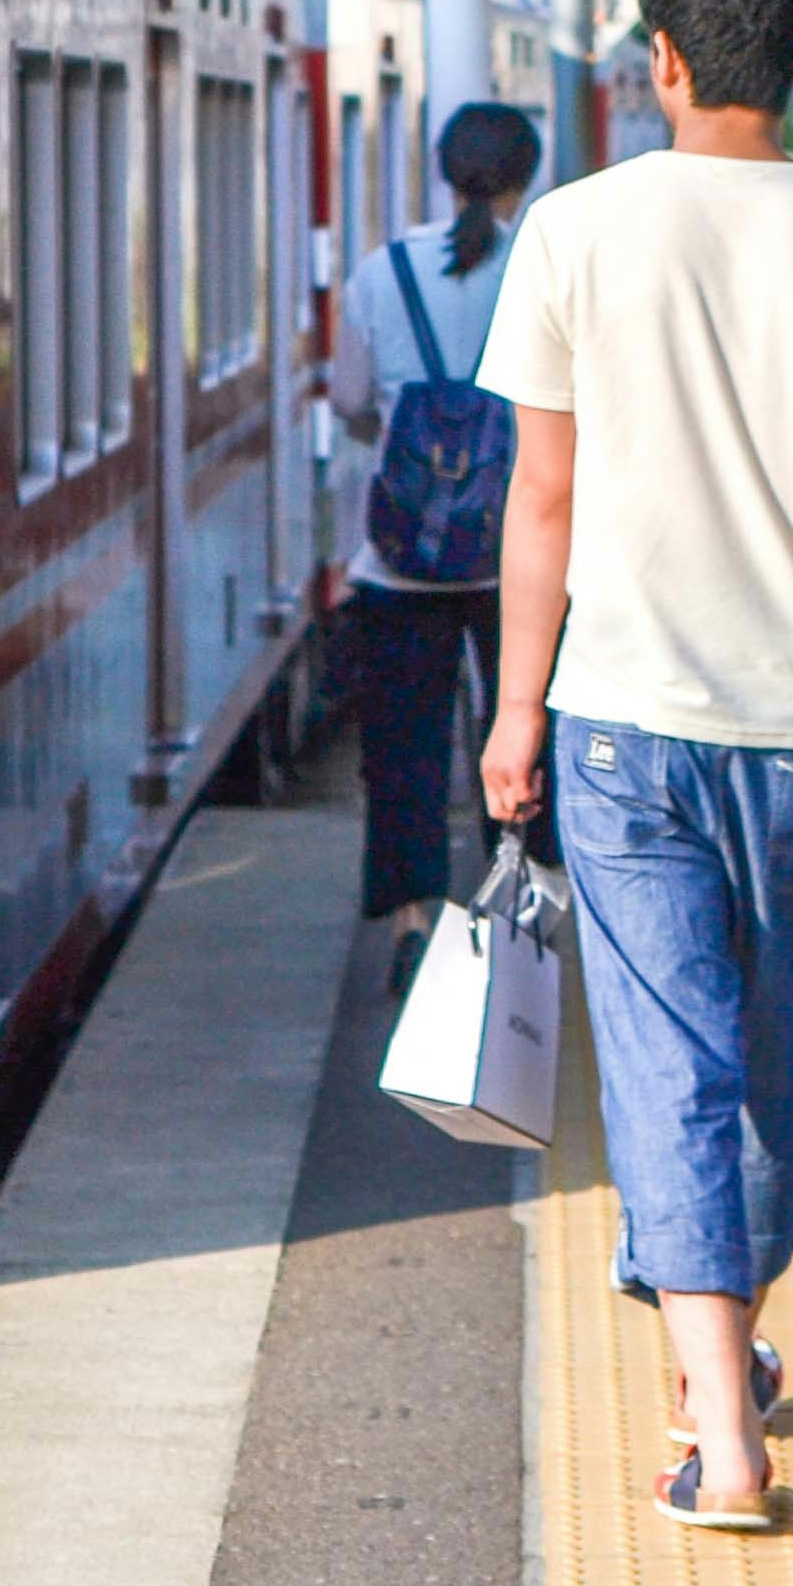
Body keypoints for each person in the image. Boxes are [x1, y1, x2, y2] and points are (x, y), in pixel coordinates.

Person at [474, 0, 793, 1532]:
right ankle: (721, 1361)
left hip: (621, 713)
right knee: (773, 1049)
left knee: (668, 1054)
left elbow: (537, 498)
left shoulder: (575, 228)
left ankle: (724, 1423)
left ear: (660, 59)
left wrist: (514, 707)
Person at [328, 103, 546, 985]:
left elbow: (349, 402)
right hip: (520, 562)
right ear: (526, 176)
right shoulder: (542, 269)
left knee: (404, 750)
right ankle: (517, 914)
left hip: (398, 560)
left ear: (443, 170)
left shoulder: (383, 273)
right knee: (521, 736)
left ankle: (413, 922)